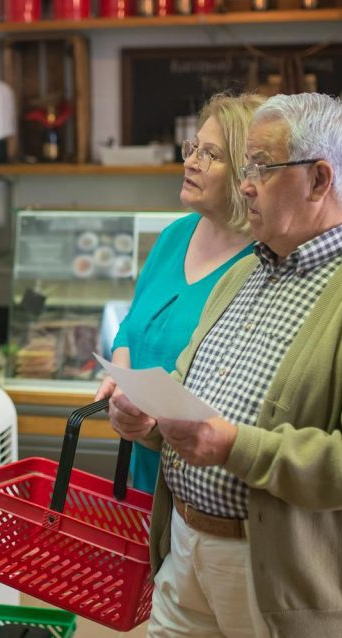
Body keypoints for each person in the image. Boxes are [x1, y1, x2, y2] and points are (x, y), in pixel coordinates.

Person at [108, 92, 342, 638]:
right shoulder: (245, 270)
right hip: (189, 553)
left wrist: (236, 447)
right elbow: (188, 382)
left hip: (290, 583)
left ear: (318, 180)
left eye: (260, 166)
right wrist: (149, 420)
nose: (245, 184)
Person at [95, 92, 264, 494]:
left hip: (209, 484)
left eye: (211, 155)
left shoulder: (262, 261)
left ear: (248, 173)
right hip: (146, 475)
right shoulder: (175, 235)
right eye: (193, 148)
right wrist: (122, 391)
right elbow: (131, 328)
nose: (190, 162)